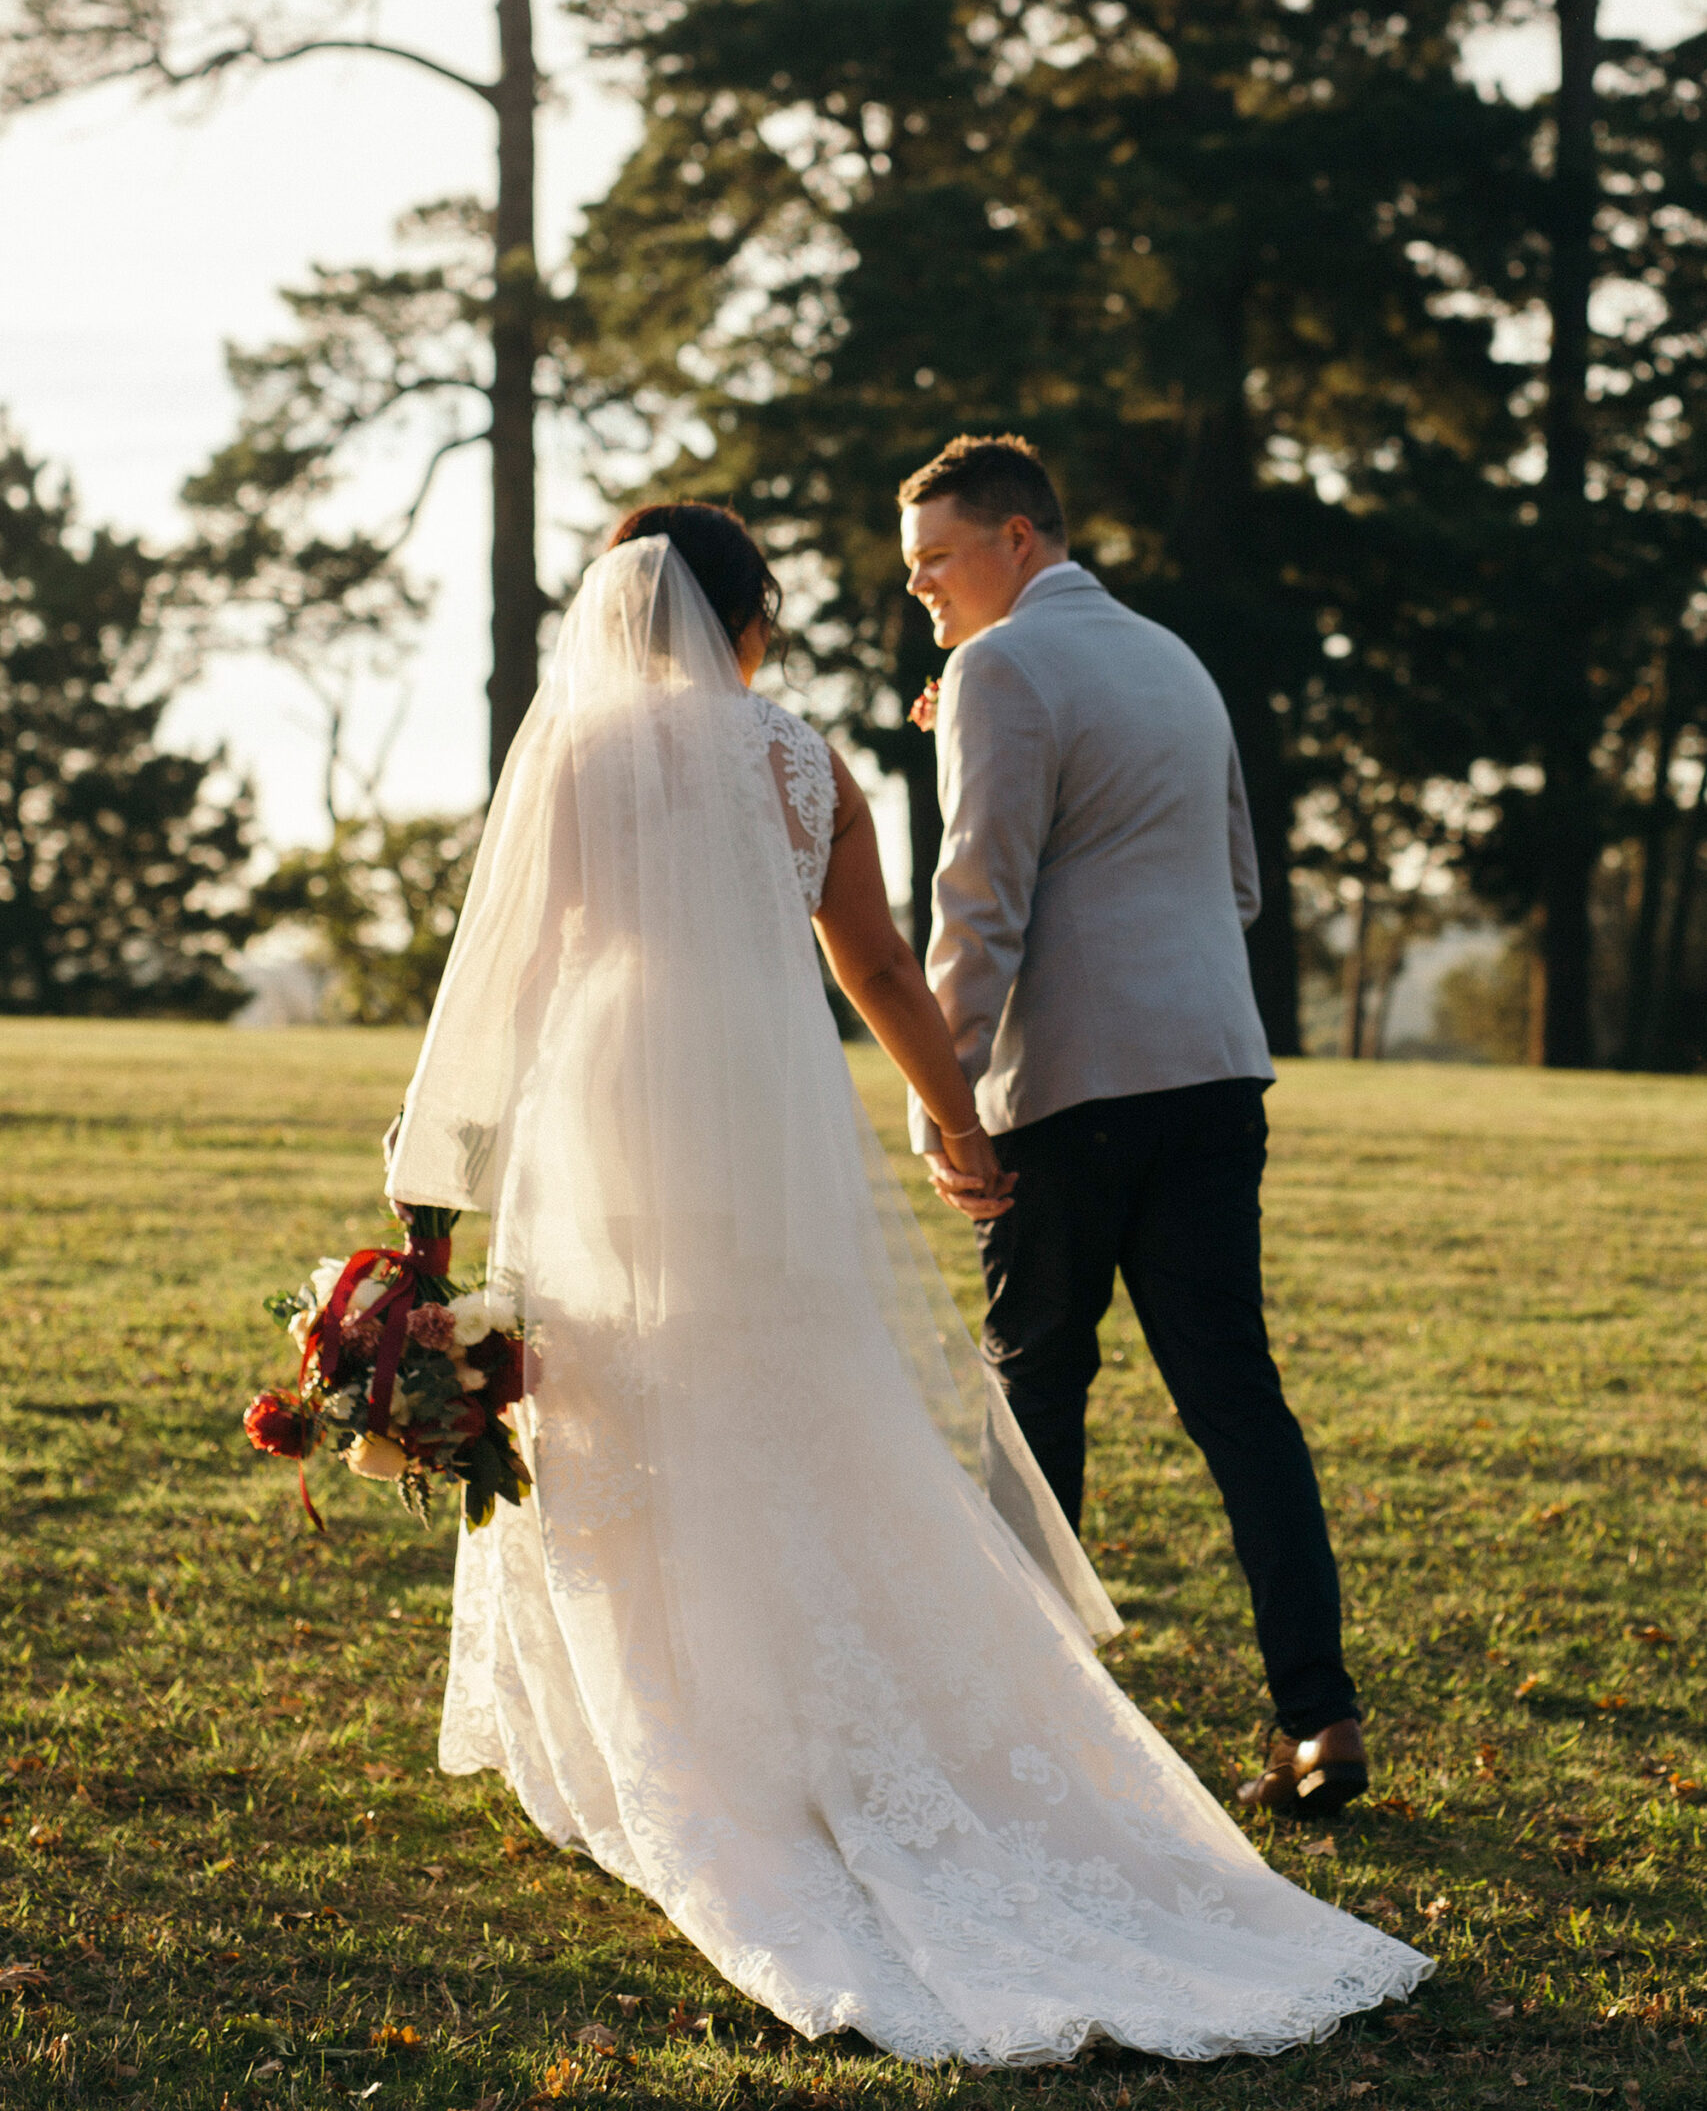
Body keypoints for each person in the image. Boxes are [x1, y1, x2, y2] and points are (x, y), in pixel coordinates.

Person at [385, 500, 1427, 2064]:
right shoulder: (801, 761)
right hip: (762, 1099)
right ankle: (823, 1718)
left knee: (612, 1383)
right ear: (755, 620)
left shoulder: (575, 758)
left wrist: (432, 1191)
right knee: (784, 1378)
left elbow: (502, 982)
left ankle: (666, 1729)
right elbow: (874, 964)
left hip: (608, 1097)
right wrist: (958, 1121)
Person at [901, 435, 1365, 1821]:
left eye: (937, 562)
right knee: (1238, 1400)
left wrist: (947, 1100)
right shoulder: (1173, 658)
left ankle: (1014, 1733)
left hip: (1075, 1093)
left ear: (1019, 542)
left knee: (1037, 1398)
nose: (922, 593)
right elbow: (1233, 880)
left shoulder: (999, 669)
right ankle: (1321, 1717)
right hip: (1217, 1072)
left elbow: (980, 901)